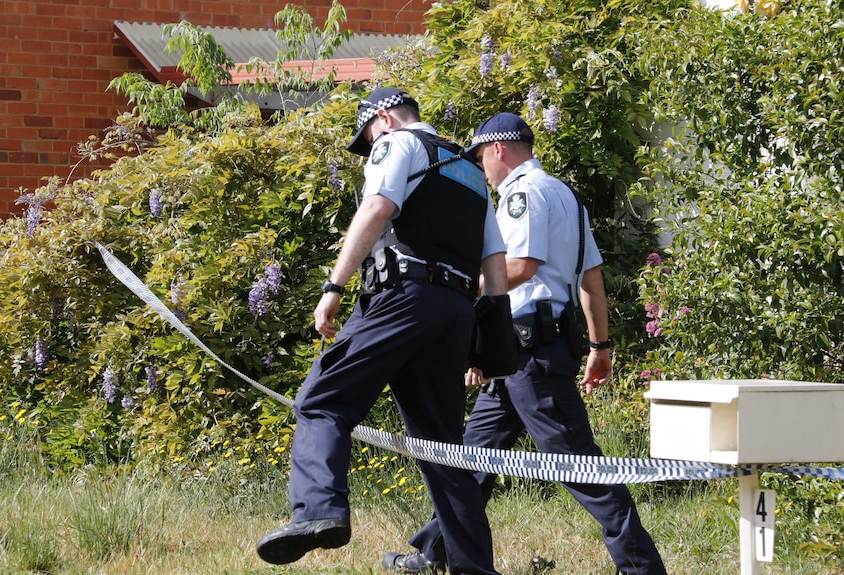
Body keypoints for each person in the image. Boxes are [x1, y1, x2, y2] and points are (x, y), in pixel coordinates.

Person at [381, 113, 668, 575]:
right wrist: (600, 345)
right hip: (519, 352)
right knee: (470, 459)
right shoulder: (566, 197)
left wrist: (456, 290)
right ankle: (435, 554)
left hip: (530, 355)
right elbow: (589, 278)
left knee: (579, 466)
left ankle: (641, 568)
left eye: (479, 158)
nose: (482, 170)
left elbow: (520, 267)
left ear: (498, 149)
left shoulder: (522, 193)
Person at [255, 88, 508, 575]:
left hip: (402, 298)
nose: (369, 146)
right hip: (456, 309)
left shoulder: (398, 144)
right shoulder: (472, 172)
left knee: (323, 400)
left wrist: (334, 287)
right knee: (443, 449)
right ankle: (475, 568)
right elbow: (494, 263)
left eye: (367, 136)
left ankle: (319, 512)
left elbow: (375, 209)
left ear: (386, 118)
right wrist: (486, 338)